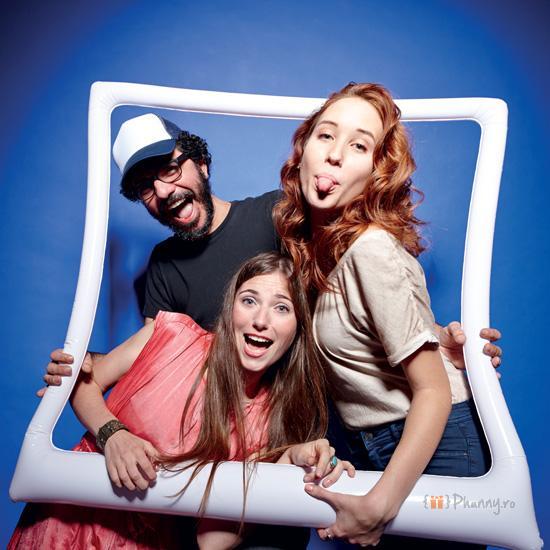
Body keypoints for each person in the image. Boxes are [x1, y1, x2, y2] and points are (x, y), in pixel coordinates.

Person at [40, 113, 502, 392]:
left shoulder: (279, 212)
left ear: (202, 165)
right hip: (243, 431)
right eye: (146, 187)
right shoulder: (163, 263)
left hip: (331, 410)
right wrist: (90, 367)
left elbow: (362, 274)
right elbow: (156, 351)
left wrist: (434, 341)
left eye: (170, 169)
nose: (163, 191)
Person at [10, 252, 355, 550]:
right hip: (65, 526)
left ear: (297, 328)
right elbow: (84, 381)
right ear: (230, 308)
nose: (261, 321)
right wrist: (112, 434)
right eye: (249, 300)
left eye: (281, 308)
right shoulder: (172, 335)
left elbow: (212, 542)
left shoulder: (270, 419)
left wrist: (282, 466)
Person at [274, 82, 494, 548]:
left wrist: (380, 504)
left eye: (359, 146)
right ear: (304, 149)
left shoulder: (370, 248)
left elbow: (433, 390)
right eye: (326, 135)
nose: (335, 154)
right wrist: (439, 338)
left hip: (435, 445)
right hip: (379, 445)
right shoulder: (322, 252)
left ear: (377, 172)